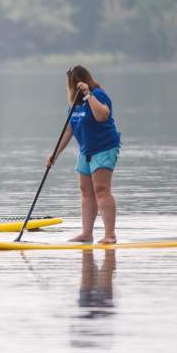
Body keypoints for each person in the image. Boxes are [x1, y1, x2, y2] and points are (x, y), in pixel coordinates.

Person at [45, 66, 121, 244]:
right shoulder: (74, 104)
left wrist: (89, 95)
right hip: (85, 150)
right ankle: (87, 233)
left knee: (101, 190)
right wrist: (54, 155)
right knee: (86, 191)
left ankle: (110, 235)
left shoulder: (99, 95)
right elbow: (68, 131)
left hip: (104, 147)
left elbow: (102, 116)